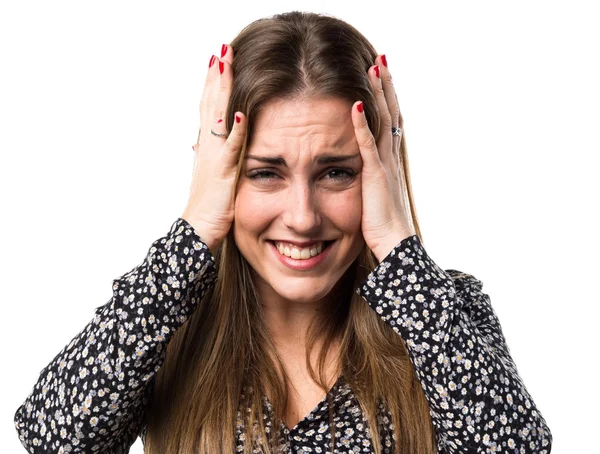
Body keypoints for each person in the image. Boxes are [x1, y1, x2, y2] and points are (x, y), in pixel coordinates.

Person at [13, 10, 552, 454]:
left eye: (336, 172)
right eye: (265, 172)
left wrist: (399, 253)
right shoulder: (166, 327)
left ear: (379, 172)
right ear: (219, 176)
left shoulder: (443, 311)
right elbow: (52, 438)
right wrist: (193, 231)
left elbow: (516, 448)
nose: (302, 216)